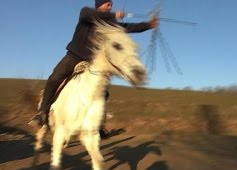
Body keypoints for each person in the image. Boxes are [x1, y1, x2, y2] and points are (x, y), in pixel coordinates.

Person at [28, 0, 159, 135]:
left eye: (111, 5)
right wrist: (115, 15)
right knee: (55, 77)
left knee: (103, 91)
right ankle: (42, 113)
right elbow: (89, 14)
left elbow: (128, 27)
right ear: (99, 5)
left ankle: (98, 125)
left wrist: (149, 25)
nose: (110, 7)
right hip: (74, 56)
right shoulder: (86, 13)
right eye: (108, 4)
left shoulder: (109, 24)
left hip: (93, 62)